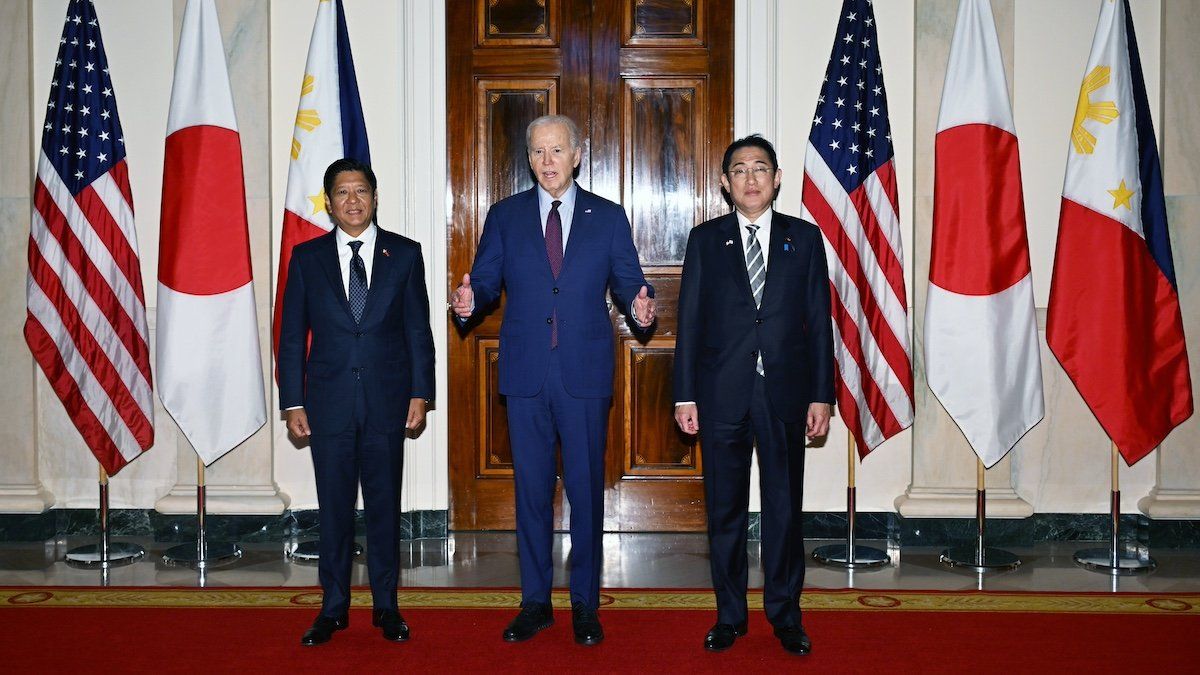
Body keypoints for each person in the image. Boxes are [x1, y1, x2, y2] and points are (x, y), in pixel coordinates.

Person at [451, 115, 656, 646]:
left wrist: (641, 307)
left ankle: (585, 604)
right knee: (532, 495)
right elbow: (487, 279)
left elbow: (630, 281)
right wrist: (471, 303)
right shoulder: (505, 215)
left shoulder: (607, 217)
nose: (547, 161)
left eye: (557, 150)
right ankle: (536, 603)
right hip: (526, 375)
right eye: (539, 152)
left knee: (586, 495)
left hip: (584, 375)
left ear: (577, 154)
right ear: (529, 158)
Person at [672, 135, 834, 656]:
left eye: (760, 168)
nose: (750, 178)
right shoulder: (705, 240)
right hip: (721, 395)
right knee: (725, 509)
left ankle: (786, 615)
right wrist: (685, 396)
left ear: (777, 177)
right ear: (725, 183)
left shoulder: (804, 240)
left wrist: (821, 395)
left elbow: (819, 325)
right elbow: (690, 324)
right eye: (739, 170)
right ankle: (729, 616)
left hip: (786, 393)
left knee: (785, 509)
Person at [279, 158, 435, 646]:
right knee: (335, 510)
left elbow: (417, 331)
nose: (353, 200)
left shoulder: (405, 255)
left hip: (389, 403)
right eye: (342, 193)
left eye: (361, 191)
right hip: (328, 405)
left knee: (386, 508)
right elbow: (290, 339)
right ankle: (333, 608)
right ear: (329, 202)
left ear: (374, 197)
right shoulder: (308, 259)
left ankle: (387, 607)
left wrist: (420, 393)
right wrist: (292, 401)